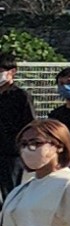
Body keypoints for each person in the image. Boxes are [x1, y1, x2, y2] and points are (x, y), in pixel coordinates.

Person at [0, 55, 29, 198]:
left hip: (11, 154)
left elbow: (29, 124)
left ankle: (8, 220)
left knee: (10, 194)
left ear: (12, 72)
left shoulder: (21, 96)